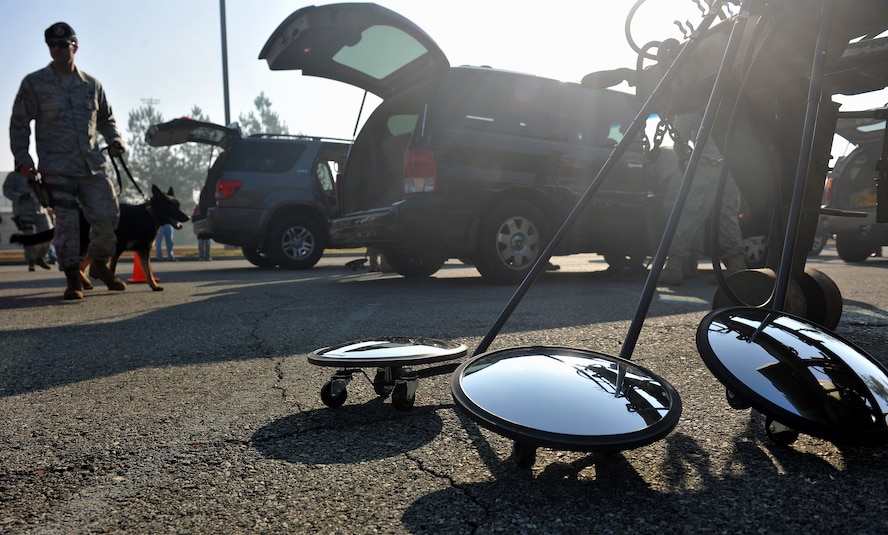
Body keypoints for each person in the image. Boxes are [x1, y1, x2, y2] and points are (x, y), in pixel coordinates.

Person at [9, 22, 127, 299]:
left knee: (107, 216)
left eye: (63, 44)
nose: (58, 49)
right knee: (67, 223)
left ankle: (98, 265)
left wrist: (115, 139)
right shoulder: (35, 83)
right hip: (56, 168)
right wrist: (23, 159)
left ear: (75, 46)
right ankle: (73, 274)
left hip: (92, 166)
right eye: (52, 45)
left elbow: (107, 119)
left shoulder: (92, 85)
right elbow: (19, 123)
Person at [659, 112, 746, 285]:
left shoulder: (692, 97)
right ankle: (737, 266)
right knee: (727, 217)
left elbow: (680, 138)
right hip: (731, 166)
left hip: (707, 165)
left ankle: (674, 266)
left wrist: (685, 162)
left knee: (689, 213)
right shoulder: (731, 97)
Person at [3, 171, 53, 271]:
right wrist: (19, 196)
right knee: (29, 236)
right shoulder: (13, 176)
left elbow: (45, 189)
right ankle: (31, 261)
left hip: (40, 210)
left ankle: (40, 257)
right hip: (23, 211)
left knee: (49, 232)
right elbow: (6, 190)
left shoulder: (37, 174)